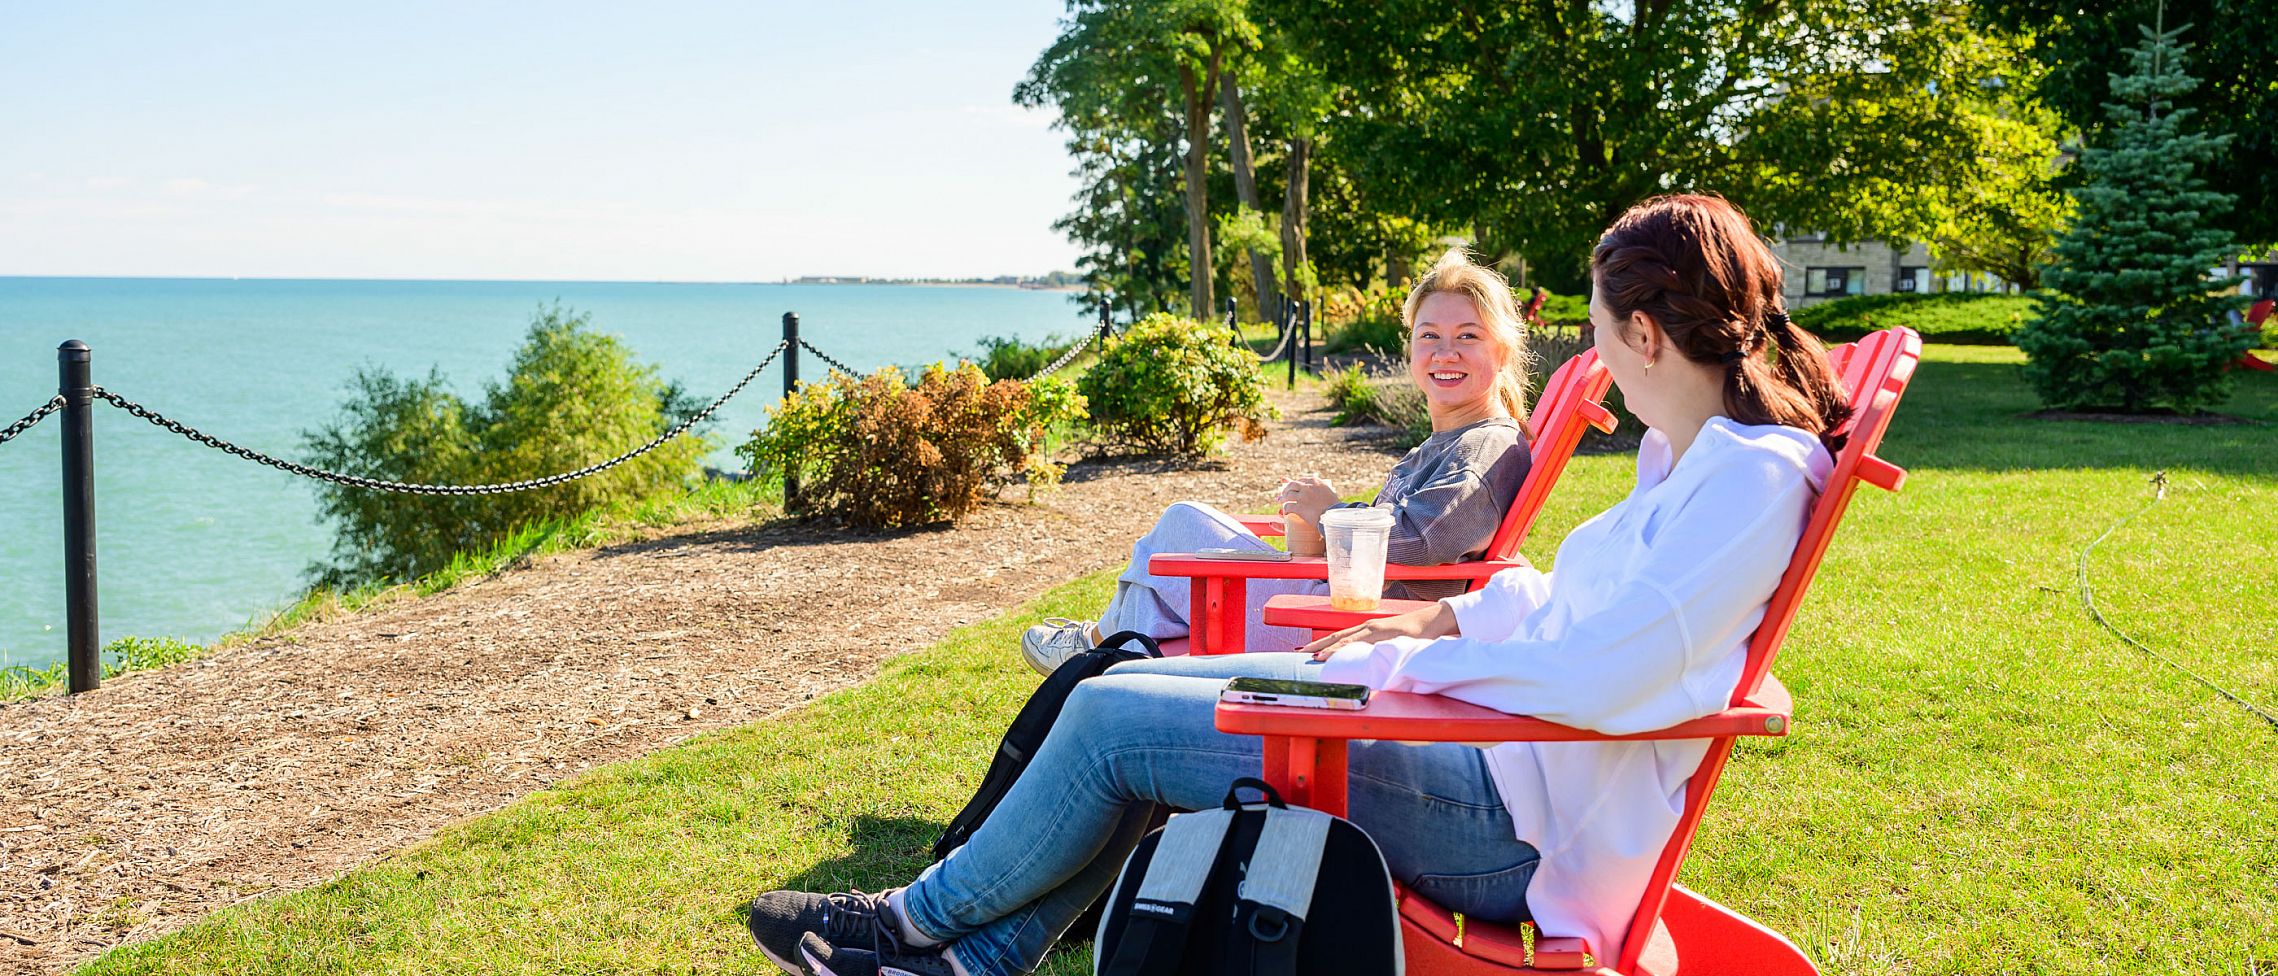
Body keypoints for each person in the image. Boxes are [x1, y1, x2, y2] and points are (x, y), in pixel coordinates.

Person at [745, 194, 1854, 976]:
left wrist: (1424, 659)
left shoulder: (1748, 481)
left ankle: (905, 922)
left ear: (1647, 334)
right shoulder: (1691, 465)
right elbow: (1574, 607)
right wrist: (1448, 611)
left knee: (1112, 716)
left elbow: (1613, 671)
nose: (1600, 357)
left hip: (1510, 814)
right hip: (1475, 742)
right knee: (1129, 694)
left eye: (1605, 336)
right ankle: (973, 954)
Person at [1017, 248, 1536, 673]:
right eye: (1430, 335)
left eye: (1468, 335)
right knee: (1182, 545)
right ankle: (1111, 652)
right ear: (1410, 348)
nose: (1445, 352)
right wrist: (1316, 526)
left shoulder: (1484, 447)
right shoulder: (1452, 441)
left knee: (1181, 526)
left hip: (1343, 624)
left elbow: (1426, 541)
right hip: (1337, 603)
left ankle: (1098, 646)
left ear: (1504, 350)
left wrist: (1334, 512)